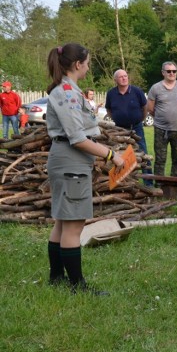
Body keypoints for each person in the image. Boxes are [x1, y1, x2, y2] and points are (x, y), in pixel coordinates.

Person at [45, 43, 124, 295]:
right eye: (87, 63)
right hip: (70, 161)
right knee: (73, 225)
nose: (88, 67)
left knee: (61, 221)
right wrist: (112, 155)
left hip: (65, 159)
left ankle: (57, 278)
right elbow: (77, 138)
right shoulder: (67, 92)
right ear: (77, 64)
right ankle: (77, 286)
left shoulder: (67, 89)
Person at [105, 69, 153, 185]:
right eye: (120, 77)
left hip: (136, 128)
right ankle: (126, 182)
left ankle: (149, 183)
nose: (124, 78)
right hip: (119, 130)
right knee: (122, 155)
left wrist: (140, 119)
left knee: (143, 153)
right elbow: (109, 109)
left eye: (125, 76)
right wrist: (117, 118)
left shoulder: (136, 91)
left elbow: (145, 107)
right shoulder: (111, 93)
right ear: (115, 80)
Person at [147, 61, 177, 178]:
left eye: (174, 71)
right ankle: (159, 185)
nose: (172, 73)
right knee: (160, 158)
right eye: (169, 71)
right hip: (161, 129)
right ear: (163, 73)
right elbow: (150, 108)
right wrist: (162, 118)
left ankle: (174, 184)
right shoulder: (155, 88)